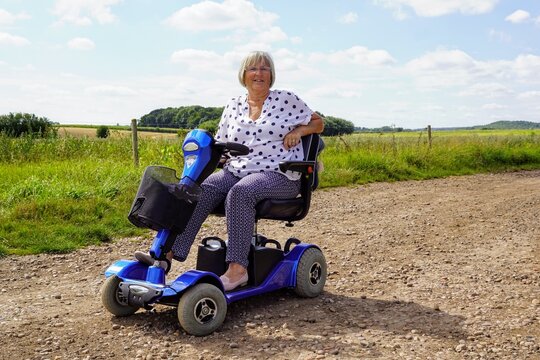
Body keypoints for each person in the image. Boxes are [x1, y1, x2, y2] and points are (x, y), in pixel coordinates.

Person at [135, 51, 324, 291]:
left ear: (271, 75)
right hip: (237, 170)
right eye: (253, 69)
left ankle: (238, 270)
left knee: (240, 192)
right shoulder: (233, 105)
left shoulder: (286, 99)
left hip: (280, 173)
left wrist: (299, 132)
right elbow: (221, 143)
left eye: (265, 69)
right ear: (244, 75)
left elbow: (318, 123)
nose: (259, 73)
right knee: (198, 191)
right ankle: (166, 255)